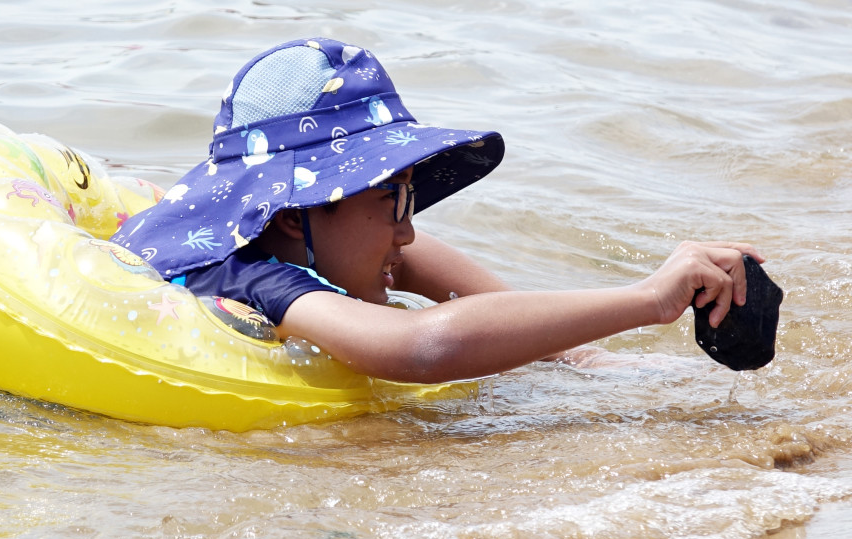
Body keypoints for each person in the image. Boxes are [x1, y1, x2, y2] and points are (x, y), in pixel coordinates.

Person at [110, 37, 762, 384]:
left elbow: (415, 259)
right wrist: (648, 300)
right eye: (389, 201)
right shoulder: (255, 277)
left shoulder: (295, 236)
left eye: (409, 198)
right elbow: (425, 346)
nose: (409, 228)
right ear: (290, 212)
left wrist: (581, 358)